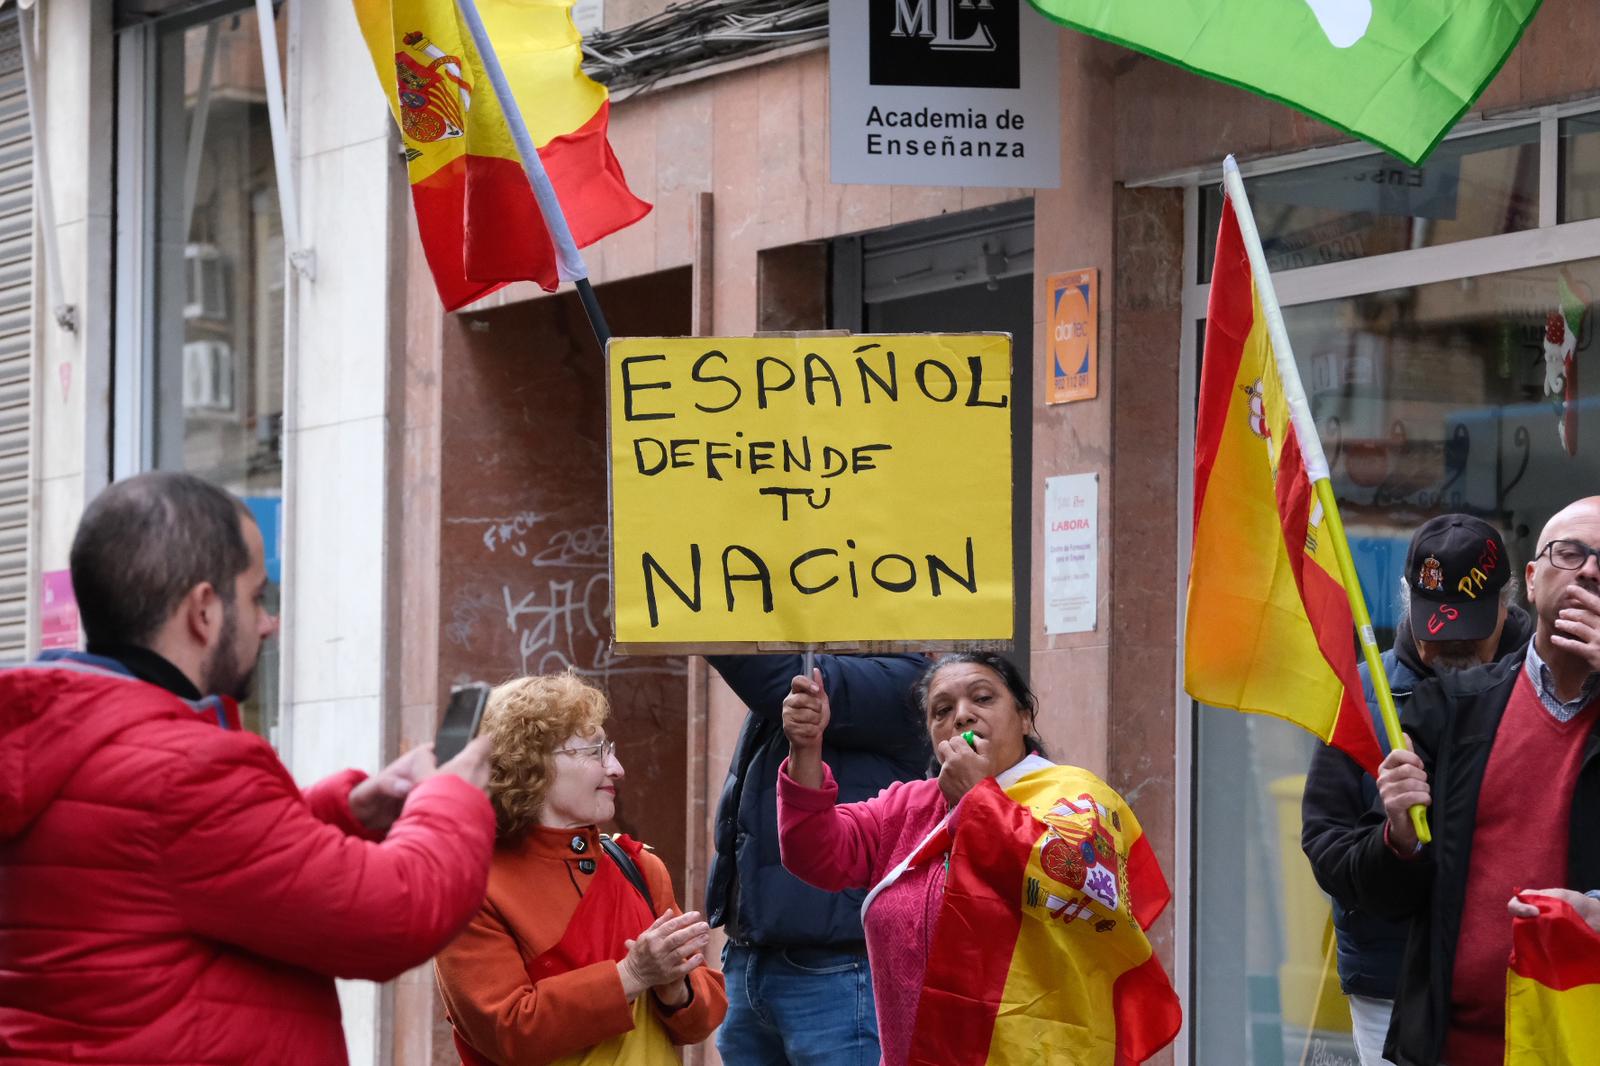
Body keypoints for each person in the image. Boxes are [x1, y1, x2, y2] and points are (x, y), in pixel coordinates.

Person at [0, 472, 497, 1064]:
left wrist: (347, 811)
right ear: (204, 611)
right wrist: (452, 796)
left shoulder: (59, 735)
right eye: (257, 596)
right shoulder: (181, 770)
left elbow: (182, 859)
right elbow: (395, 912)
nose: (268, 622)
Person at [1349, 496, 1600, 1066]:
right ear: (1532, 582)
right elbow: (1379, 892)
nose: (1589, 569)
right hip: (1456, 1044)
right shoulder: (1453, 706)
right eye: (1570, 553)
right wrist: (1399, 836)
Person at [1300, 514, 1532, 1066]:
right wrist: (1395, 839)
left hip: (1520, 981)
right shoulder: (1360, 695)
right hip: (1390, 984)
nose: (1451, 645)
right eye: (1436, 628)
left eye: (1469, 628)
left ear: (1507, 603)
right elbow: (1325, 845)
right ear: (1408, 604)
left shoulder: (1550, 691)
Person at [774, 653, 1054, 1066]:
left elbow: (1064, 889)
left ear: (1026, 716)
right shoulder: (908, 807)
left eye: (982, 698)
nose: (962, 717)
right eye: (942, 711)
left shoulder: (1070, 802)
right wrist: (807, 748)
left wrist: (979, 802)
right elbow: (814, 851)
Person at [435, 672, 727, 1065]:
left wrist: (675, 987)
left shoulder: (638, 866)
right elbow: (509, 1033)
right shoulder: (471, 888)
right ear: (531, 764)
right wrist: (633, 976)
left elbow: (701, 1022)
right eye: (595, 751)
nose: (618, 767)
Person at [704, 652, 931, 1066]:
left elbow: (777, 678)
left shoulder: (906, 677)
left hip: (840, 969)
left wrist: (704, 612)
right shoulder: (813, 666)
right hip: (751, 955)